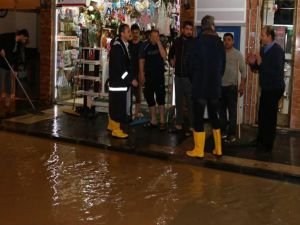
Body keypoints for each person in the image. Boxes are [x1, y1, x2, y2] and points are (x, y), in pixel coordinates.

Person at [186, 15, 226, 158]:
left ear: (202, 27)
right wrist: (216, 78)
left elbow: (189, 66)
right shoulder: (219, 43)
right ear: (212, 26)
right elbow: (223, 67)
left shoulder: (197, 43)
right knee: (215, 116)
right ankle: (218, 149)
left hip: (200, 86)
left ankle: (199, 150)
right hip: (214, 86)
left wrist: (194, 79)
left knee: (198, 117)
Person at [247, 25, 285, 151]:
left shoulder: (277, 51)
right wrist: (253, 63)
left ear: (269, 36)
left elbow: (277, 72)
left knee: (270, 116)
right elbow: (258, 69)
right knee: (262, 114)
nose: (260, 37)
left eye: (262, 35)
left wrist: (261, 63)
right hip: (266, 88)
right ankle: (260, 140)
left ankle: (268, 144)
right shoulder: (263, 50)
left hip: (274, 88)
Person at [107, 24, 138, 138]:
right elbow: (120, 69)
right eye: (128, 31)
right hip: (118, 84)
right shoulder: (117, 48)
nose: (130, 33)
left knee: (116, 105)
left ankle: (112, 125)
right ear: (122, 34)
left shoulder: (123, 45)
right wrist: (130, 80)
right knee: (118, 106)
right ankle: (116, 130)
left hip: (120, 83)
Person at [168, 20, 194, 136]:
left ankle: (192, 125)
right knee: (178, 101)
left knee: (190, 102)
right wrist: (171, 60)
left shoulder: (195, 43)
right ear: (183, 30)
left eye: (191, 29)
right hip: (178, 76)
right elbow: (170, 54)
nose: (189, 31)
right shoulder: (177, 41)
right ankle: (178, 123)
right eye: (187, 29)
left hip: (189, 77)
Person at [220, 33, 246, 143]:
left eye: (229, 40)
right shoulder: (219, 54)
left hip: (232, 87)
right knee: (221, 112)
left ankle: (231, 134)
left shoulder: (238, 54)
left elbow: (244, 71)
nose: (226, 42)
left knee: (232, 113)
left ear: (233, 41)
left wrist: (242, 85)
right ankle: (223, 132)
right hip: (220, 87)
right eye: (225, 40)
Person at [139, 29, 167, 130]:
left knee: (161, 98)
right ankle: (153, 120)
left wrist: (159, 42)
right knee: (150, 98)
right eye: (154, 36)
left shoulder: (161, 44)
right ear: (150, 37)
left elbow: (164, 56)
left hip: (159, 76)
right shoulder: (145, 46)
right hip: (149, 76)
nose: (155, 38)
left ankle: (162, 121)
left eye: (157, 36)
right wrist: (141, 74)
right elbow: (141, 61)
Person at [0, 29, 29, 107]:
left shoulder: (19, 45)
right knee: (1, 82)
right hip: (1, 64)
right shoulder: (9, 36)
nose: (25, 41)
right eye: (25, 39)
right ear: (22, 36)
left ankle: (7, 101)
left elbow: (17, 58)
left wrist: (15, 70)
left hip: (9, 66)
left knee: (8, 83)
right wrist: (1, 49)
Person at [129, 24, 143, 119]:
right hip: (129, 72)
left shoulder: (142, 45)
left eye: (136, 33)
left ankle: (137, 113)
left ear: (139, 33)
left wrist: (142, 73)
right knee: (128, 94)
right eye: (133, 32)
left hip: (139, 72)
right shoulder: (128, 44)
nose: (135, 35)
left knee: (138, 94)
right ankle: (129, 113)